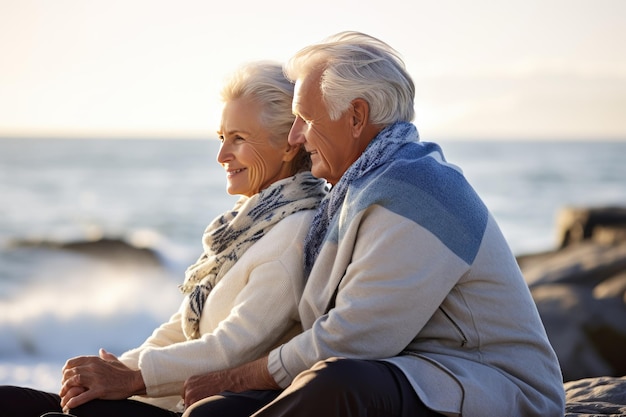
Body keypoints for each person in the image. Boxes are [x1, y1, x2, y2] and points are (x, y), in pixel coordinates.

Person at [181, 32, 566, 417]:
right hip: (416, 373)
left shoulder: (420, 188)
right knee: (214, 411)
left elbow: (353, 338)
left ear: (356, 117)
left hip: (495, 389)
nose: (296, 136)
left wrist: (236, 376)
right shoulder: (360, 187)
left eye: (306, 119)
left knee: (336, 385)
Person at [0, 61, 327, 417]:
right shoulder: (247, 227)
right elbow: (184, 327)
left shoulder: (293, 233)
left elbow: (231, 349)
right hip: (157, 399)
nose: (221, 156)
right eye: (221, 138)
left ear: (289, 146)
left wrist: (132, 380)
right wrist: (119, 371)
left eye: (239, 139)